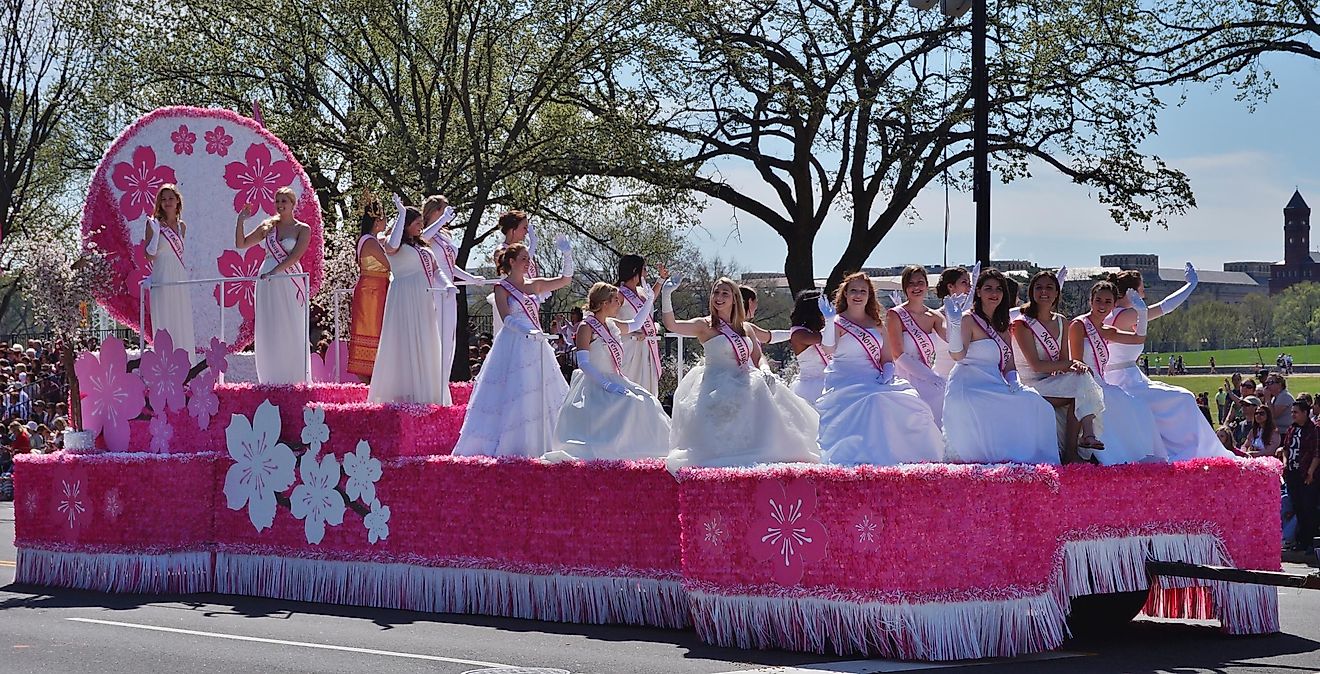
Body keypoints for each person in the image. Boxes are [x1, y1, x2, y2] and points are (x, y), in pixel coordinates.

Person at [661, 274, 820, 470]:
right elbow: (672, 325)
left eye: (725, 293)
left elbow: (758, 356)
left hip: (745, 378)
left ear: (734, 298)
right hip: (716, 384)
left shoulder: (745, 328)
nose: (719, 297)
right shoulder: (704, 325)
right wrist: (666, 294)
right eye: (716, 293)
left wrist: (765, 369)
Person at [454, 240, 574, 457]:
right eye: (523, 259)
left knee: (540, 391)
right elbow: (506, 318)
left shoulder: (534, 284)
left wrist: (567, 255)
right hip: (515, 343)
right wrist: (526, 330)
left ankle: (544, 443)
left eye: (528, 259)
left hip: (536, 345)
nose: (528, 263)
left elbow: (565, 280)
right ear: (511, 262)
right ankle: (515, 445)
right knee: (516, 391)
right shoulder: (501, 287)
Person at [815, 273, 944, 466]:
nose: (858, 295)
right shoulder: (837, 322)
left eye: (863, 291)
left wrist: (888, 371)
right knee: (875, 401)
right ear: (845, 295)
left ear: (869, 296)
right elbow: (828, 349)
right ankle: (871, 460)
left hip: (875, 378)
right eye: (853, 291)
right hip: (846, 379)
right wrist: (828, 322)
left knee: (910, 401)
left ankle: (913, 458)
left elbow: (886, 356)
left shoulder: (877, 324)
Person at [1104, 268, 1231, 461]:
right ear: (1131, 292)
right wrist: (1190, 286)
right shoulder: (1125, 315)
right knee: (1185, 398)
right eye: (1142, 288)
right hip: (1125, 383)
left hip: (1129, 378)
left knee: (1180, 398)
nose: (1144, 293)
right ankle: (1192, 453)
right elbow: (1166, 307)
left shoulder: (1116, 315)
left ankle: (1187, 450)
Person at [942, 268, 1058, 464]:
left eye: (998, 289)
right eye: (988, 288)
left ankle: (1034, 463)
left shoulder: (1002, 323)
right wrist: (954, 325)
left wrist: (1014, 381)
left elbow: (1009, 363)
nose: (994, 294)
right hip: (969, 384)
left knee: (1037, 403)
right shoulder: (968, 319)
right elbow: (958, 355)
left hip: (995, 383)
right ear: (978, 292)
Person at [544, 282, 671, 461]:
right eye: (616, 301)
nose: (619, 304)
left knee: (648, 401)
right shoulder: (586, 327)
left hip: (615, 380)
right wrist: (607, 385)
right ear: (605, 303)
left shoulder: (611, 324)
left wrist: (650, 300)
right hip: (594, 383)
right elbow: (584, 363)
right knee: (629, 404)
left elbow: (636, 323)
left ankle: (643, 452)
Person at [368, 196, 452, 405]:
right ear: (405, 226)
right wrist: (402, 213)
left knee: (426, 340)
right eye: (417, 224)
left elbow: (435, 270)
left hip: (423, 298)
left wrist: (447, 284)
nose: (421, 227)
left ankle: (426, 394)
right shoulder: (392, 243)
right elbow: (393, 244)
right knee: (404, 342)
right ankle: (403, 393)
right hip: (404, 297)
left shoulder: (423, 246)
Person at [1012, 270, 1106, 456]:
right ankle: (1077, 446)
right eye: (1039, 288)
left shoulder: (1062, 321)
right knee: (1081, 389)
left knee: (1082, 378)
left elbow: (1064, 362)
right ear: (1032, 292)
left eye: (1049, 288)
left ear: (1057, 293)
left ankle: (1080, 443)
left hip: (1052, 384)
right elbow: (1036, 366)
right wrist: (1071, 364)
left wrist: (1075, 366)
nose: (1044, 292)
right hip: (1030, 385)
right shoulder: (1022, 324)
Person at [235, 187, 311, 385]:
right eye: (277, 201)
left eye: (284, 201)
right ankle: (271, 378)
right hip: (267, 280)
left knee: (290, 324)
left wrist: (276, 271)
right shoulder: (268, 226)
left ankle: (295, 378)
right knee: (270, 325)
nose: (280, 205)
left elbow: (295, 256)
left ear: (293, 204)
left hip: (287, 279)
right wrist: (241, 220)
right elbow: (241, 244)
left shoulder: (303, 229)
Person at [420, 194, 485, 382]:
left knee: (449, 338)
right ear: (435, 211)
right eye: (444, 209)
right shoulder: (427, 231)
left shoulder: (444, 235)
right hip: (434, 290)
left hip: (449, 291)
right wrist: (441, 221)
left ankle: (442, 383)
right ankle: (431, 382)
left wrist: (471, 278)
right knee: (435, 337)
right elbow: (423, 238)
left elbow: (450, 265)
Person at [887, 266, 949, 426]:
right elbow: (897, 354)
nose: (916, 287)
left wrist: (955, 321)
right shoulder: (895, 314)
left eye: (920, 282)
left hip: (929, 377)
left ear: (927, 286)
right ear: (905, 288)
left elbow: (953, 341)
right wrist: (929, 377)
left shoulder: (935, 316)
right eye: (911, 283)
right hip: (904, 377)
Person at [144, 184, 197, 362]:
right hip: (162, 275)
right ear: (159, 202)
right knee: (165, 319)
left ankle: (185, 364)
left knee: (180, 317)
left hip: (179, 275)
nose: (167, 202)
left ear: (177, 201)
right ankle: (164, 365)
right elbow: (149, 256)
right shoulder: (153, 223)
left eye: (170, 198)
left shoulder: (182, 226)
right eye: (163, 199)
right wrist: (157, 233)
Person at [347, 194, 390, 382]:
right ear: (377, 219)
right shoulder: (370, 241)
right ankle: (369, 376)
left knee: (377, 328)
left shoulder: (371, 239)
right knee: (372, 329)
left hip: (376, 289)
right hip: (372, 291)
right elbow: (390, 264)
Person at [612, 255, 664, 396]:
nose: (646, 273)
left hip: (645, 348)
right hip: (629, 347)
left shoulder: (642, 292)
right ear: (636, 271)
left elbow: (649, 301)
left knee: (647, 390)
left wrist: (661, 279)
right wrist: (630, 332)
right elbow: (607, 321)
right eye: (644, 269)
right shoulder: (618, 294)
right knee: (630, 387)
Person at [486, 210, 540, 336]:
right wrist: (532, 247)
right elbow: (509, 271)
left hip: (525, 303)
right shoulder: (501, 250)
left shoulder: (522, 251)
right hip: (509, 302)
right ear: (513, 229)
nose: (526, 232)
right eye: (524, 227)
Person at [1279, 401, 1320, 553]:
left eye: (1296, 412)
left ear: (1304, 413)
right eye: (1292, 412)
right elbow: (1286, 449)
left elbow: (1317, 453)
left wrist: (1311, 472)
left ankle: (1309, 542)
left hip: (1306, 474)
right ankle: (1300, 540)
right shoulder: (1292, 429)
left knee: (1308, 508)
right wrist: (1285, 463)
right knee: (1297, 507)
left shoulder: (1314, 430)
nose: (1293, 415)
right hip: (1292, 473)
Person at [787, 290, 830, 406]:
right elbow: (824, 338)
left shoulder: (814, 331)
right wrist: (831, 320)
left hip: (828, 382)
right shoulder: (799, 333)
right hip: (811, 386)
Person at [932, 265, 975, 379]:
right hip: (942, 377)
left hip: (967, 376)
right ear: (951, 286)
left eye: (970, 283)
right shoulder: (936, 316)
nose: (969, 287)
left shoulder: (972, 316)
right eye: (964, 282)